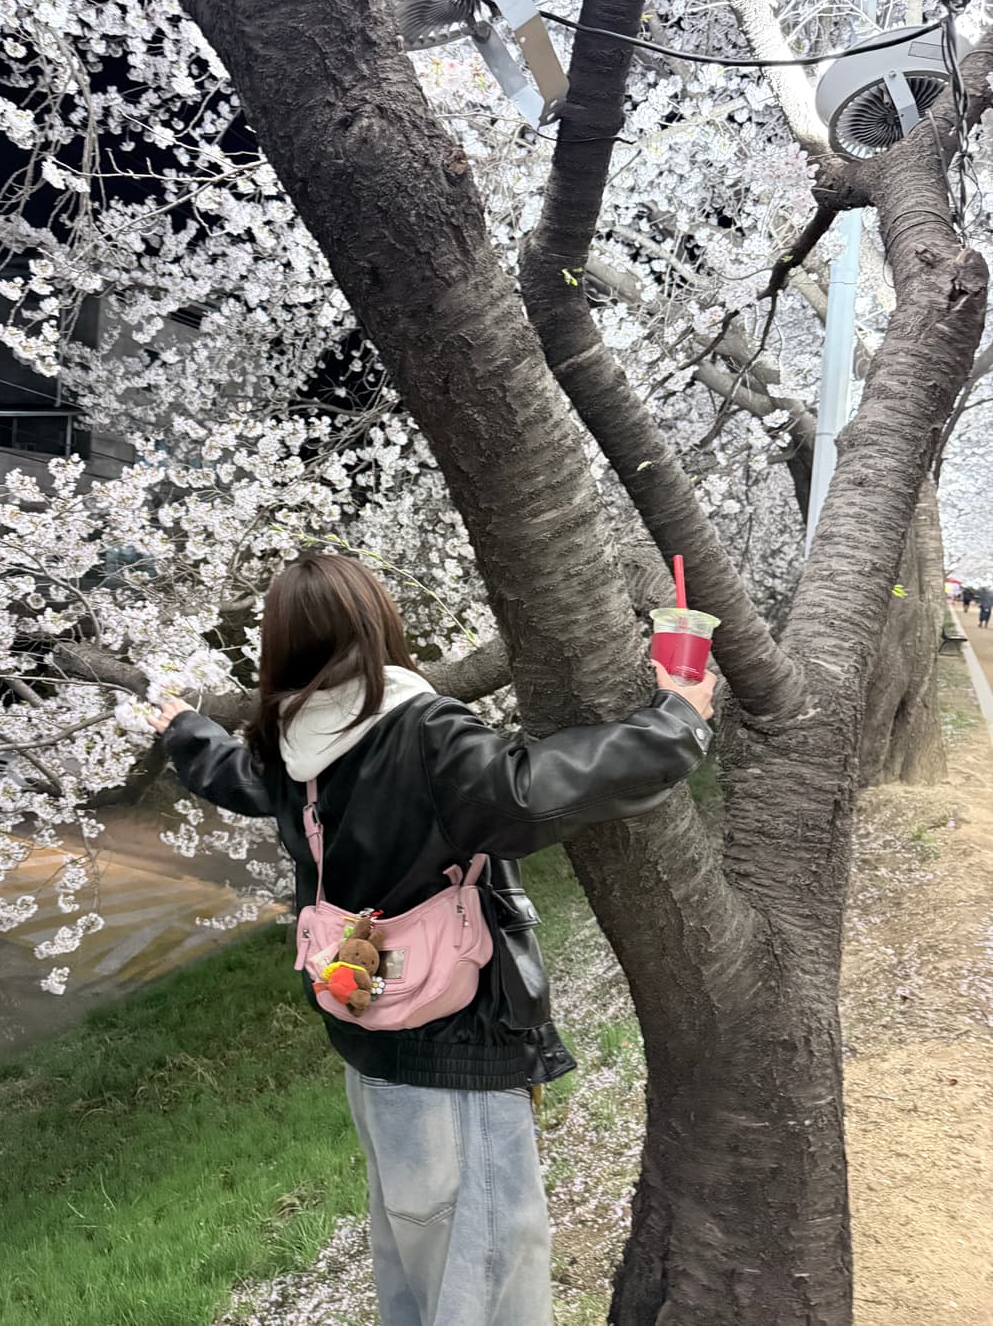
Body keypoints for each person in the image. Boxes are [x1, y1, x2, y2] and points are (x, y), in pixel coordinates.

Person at [149, 552, 715, 1326]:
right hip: (451, 1046)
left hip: (368, 1028)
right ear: (378, 620)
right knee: (482, 1280)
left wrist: (184, 731)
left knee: (418, 1271)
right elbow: (529, 791)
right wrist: (676, 721)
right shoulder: (420, 728)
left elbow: (238, 778)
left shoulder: (287, 741)